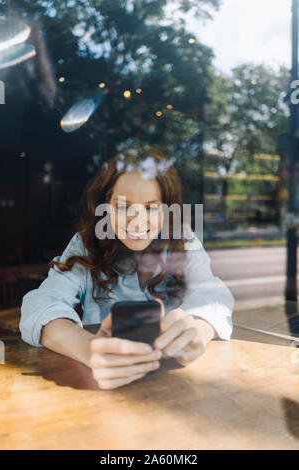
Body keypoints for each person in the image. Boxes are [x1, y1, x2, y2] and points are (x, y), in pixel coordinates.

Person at [20, 146, 235, 390]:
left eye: (151, 207)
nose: (137, 220)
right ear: (106, 206)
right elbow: (40, 304)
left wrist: (199, 327)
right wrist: (87, 349)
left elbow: (213, 293)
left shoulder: (183, 240)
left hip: (175, 385)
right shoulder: (86, 245)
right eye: (123, 206)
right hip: (100, 388)